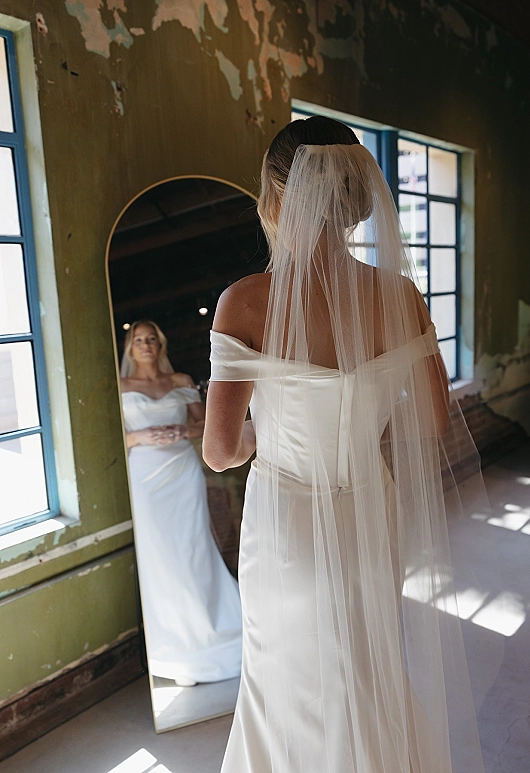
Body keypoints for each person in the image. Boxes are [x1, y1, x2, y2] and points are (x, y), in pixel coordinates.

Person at [203, 116, 488, 772]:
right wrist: (360, 426)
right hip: (368, 513)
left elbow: (220, 450)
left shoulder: (244, 302)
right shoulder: (401, 295)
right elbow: (431, 421)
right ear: (357, 196)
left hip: (285, 528)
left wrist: (260, 434)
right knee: (366, 674)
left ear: (276, 196)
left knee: (285, 690)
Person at [120, 320, 242, 687]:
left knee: (192, 548)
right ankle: (174, 642)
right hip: (144, 477)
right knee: (159, 554)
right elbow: (113, 438)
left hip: (182, 472)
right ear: (130, 347)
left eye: (152, 338)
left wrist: (181, 432)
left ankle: (216, 626)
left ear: (161, 344)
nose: (145, 344)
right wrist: (138, 435)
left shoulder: (182, 382)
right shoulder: (120, 386)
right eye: (139, 340)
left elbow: (206, 427)